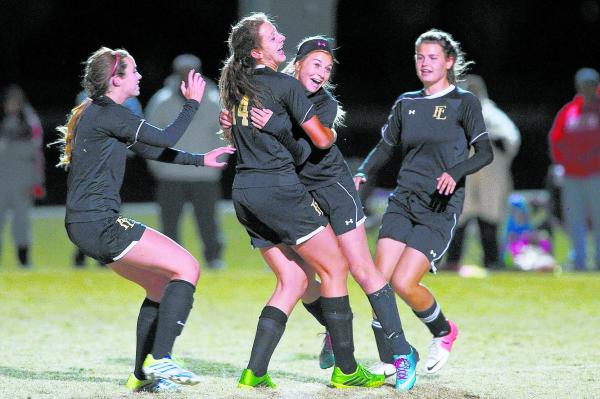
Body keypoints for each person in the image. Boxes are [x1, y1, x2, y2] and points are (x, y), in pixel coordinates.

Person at [222, 35, 418, 390]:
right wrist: (233, 125)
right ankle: (335, 332)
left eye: (328, 68)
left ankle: (402, 354)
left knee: (360, 269)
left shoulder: (322, 104)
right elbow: (261, 145)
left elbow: (307, 150)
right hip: (298, 196)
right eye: (316, 64)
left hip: (333, 191)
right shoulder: (275, 92)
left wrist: (276, 127)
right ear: (296, 64)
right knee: (302, 281)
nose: (322, 72)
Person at [52, 47, 235, 393]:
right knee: (188, 267)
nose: (139, 76)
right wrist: (192, 104)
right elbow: (164, 137)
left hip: (86, 225)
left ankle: (141, 375)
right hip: (99, 224)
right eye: (133, 71)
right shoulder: (109, 113)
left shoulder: (104, 113)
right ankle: (161, 358)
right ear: (115, 79)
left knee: (159, 286)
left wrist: (201, 161)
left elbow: (151, 149)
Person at [354, 29, 493, 375]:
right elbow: (386, 146)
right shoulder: (407, 103)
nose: (425, 63)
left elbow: (485, 152)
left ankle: (444, 332)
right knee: (377, 282)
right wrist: (362, 172)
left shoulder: (464, 102)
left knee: (403, 282)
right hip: (403, 200)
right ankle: (393, 359)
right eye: (420, 57)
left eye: (433, 57)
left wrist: (455, 171)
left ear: (449, 62)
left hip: (439, 207)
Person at [145, 54, 227, 270]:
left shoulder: (212, 99)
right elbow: (150, 138)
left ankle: (213, 258)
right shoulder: (161, 100)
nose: (186, 75)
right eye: (182, 71)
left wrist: (217, 165)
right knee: (169, 222)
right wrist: (159, 167)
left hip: (204, 174)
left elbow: (224, 134)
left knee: (208, 220)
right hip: (171, 174)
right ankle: (171, 260)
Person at [444, 74, 521, 270]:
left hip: (490, 173)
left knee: (490, 216)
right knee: (459, 215)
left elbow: (510, 139)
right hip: (465, 173)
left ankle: (492, 261)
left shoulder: (493, 115)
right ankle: (453, 261)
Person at [72, 89, 143, 268]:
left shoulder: (130, 100)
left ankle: (104, 253)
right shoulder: (86, 97)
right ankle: (83, 252)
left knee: (111, 206)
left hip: (116, 160)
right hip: (92, 160)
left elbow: (137, 129)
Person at [548, 67, 600, 271]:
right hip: (572, 175)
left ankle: (598, 261)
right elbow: (556, 139)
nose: (587, 88)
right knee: (574, 219)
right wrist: (561, 164)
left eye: (591, 84)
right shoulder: (570, 111)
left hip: (596, 174)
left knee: (598, 218)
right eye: (584, 84)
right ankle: (579, 261)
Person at [0, 84, 45, 268]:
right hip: (2, 179)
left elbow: (37, 154)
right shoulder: (2, 121)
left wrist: (38, 181)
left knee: (21, 222)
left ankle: (23, 259)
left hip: (22, 181)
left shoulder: (29, 121)